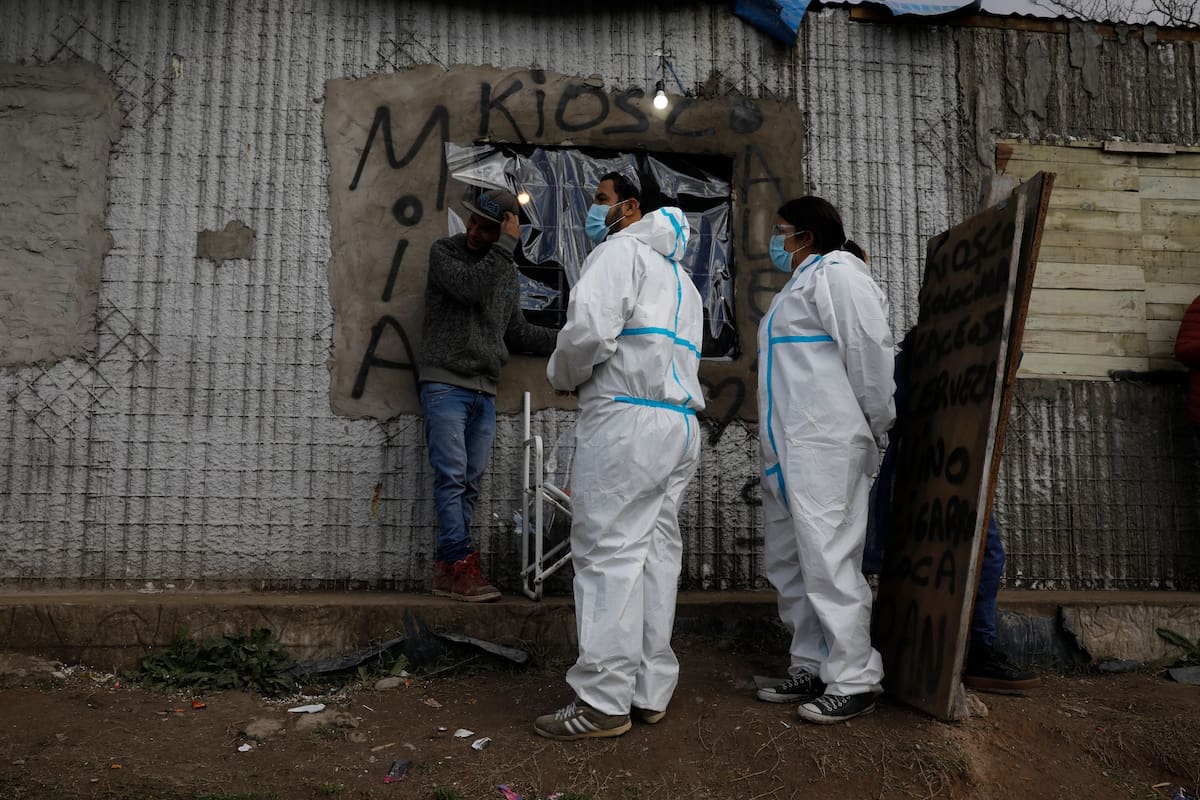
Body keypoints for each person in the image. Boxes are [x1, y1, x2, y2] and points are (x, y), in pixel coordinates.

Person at [534, 172, 704, 740]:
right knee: (654, 556)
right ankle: (646, 691)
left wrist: (561, 374)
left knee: (608, 554)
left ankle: (603, 701)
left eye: (600, 200)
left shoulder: (618, 252)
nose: (592, 209)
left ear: (630, 209)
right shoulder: (685, 280)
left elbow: (586, 334)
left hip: (626, 422)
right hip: (678, 425)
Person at [754, 196, 895, 724]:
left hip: (825, 445)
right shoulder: (798, 286)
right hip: (788, 447)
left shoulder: (838, 274)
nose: (775, 239)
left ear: (807, 235)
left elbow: (869, 353)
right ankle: (811, 664)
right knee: (791, 563)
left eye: (781, 230)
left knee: (830, 561)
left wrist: (876, 422)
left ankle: (856, 677)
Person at [870, 332, 1041, 693]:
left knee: (984, 557)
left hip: (959, 474)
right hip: (922, 473)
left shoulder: (980, 350)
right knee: (917, 564)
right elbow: (891, 414)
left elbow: (1009, 357)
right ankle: (910, 654)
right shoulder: (909, 362)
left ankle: (977, 652)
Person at [420, 187, 557, 602]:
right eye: (474, 221)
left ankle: (448, 572)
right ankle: (461, 566)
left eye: (488, 227)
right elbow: (468, 288)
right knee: (452, 477)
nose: (476, 231)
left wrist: (571, 340)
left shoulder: (504, 271)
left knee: (469, 483)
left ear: (503, 228)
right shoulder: (445, 253)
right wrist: (505, 248)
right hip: (445, 383)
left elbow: (514, 330)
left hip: (485, 390)